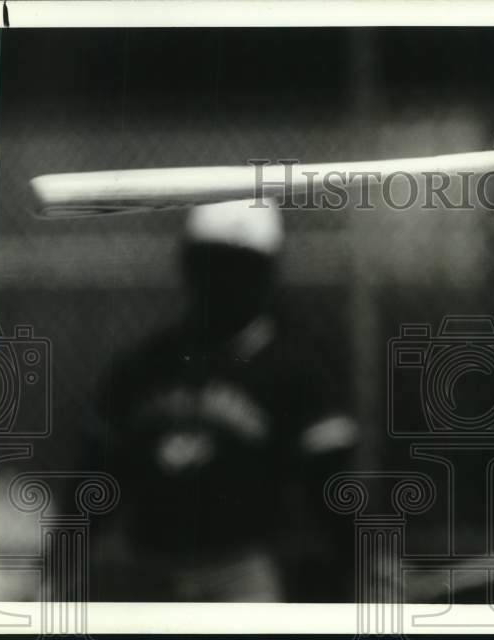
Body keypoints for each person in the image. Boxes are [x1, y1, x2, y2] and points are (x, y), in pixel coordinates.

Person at [97, 199, 357, 601]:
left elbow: (333, 488)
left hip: (242, 569)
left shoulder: (295, 371)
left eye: (239, 267)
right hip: (150, 567)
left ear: (265, 275)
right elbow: (98, 472)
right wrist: (60, 562)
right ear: (189, 266)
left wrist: (362, 563)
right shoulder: (147, 364)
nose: (223, 281)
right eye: (211, 263)